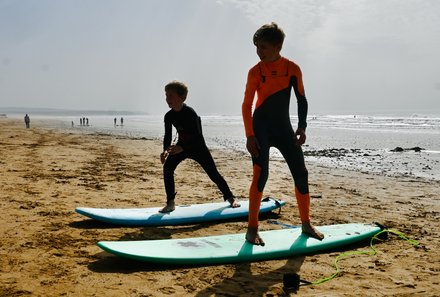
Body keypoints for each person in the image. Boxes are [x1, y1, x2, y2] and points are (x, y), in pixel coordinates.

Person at [241, 22, 324, 246]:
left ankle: (306, 224)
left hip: (284, 128)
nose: (259, 52)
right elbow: (246, 104)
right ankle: (252, 229)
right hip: (261, 129)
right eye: (257, 47)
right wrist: (249, 135)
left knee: (301, 172)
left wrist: (303, 126)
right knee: (261, 174)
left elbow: (302, 99)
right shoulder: (255, 72)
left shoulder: (292, 69)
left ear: (278, 46)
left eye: (263, 47)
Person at [159, 81, 240, 213]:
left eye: (171, 95)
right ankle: (170, 203)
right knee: (167, 168)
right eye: (166, 95)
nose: (167, 99)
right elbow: (167, 135)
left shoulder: (190, 113)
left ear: (182, 97)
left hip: (197, 147)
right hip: (181, 146)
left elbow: (197, 135)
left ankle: (230, 198)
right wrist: (165, 151)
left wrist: (182, 148)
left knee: (213, 173)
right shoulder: (169, 116)